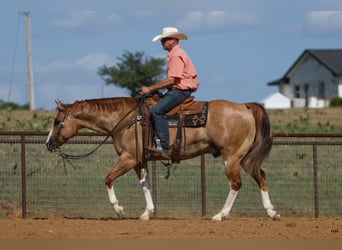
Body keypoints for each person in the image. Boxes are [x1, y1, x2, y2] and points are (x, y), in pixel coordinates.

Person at [140, 27, 199, 159]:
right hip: (178, 90)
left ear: (172, 40)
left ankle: (164, 147)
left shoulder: (176, 55)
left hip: (179, 92)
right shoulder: (177, 53)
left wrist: (150, 89)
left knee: (156, 111)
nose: (162, 43)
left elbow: (172, 79)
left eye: (164, 40)